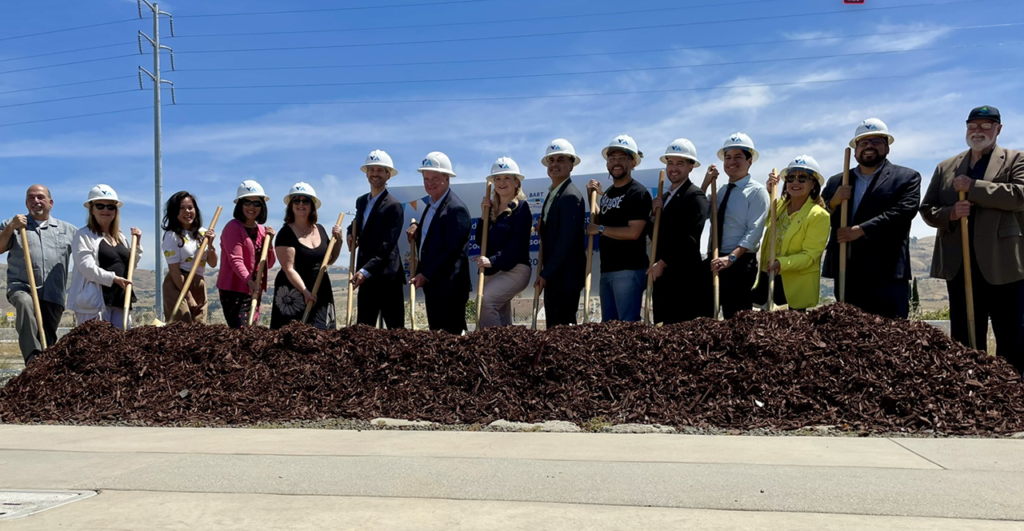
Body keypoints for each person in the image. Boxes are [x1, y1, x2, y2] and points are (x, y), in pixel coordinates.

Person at [921, 105, 1024, 371]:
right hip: (960, 264)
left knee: (1011, 336)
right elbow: (928, 209)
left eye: (986, 125)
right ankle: (969, 390)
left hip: (1002, 263)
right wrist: (951, 213)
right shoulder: (946, 167)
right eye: (972, 125)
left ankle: (1010, 393)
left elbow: (1020, 196)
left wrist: (974, 188)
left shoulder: (1016, 159)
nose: (978, 130)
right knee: (964, 337)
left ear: (998, 129)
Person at [822, 118, 921, 319]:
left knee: (892, 336)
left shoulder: (906, 177)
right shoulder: (836, 182)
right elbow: (817, 216)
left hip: (887, 272)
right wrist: (833, 202)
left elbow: (903, 212)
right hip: (848, 273)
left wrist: (860, 230)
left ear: (887, 147)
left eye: (876, 141)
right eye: (863, 142)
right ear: (855, 148)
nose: (869, 146)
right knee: (850, 335)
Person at [0, 185, 76, 363]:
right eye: (31, 198)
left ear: (50, 202)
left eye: (40, 197)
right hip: (22, 287)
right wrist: (12, 227)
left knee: (48, 341)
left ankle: (43, 372)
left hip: (53, 292)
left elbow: (87, 254)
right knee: (25, 303)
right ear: (26, 202)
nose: (35, 201)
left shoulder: (68, 230)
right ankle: (32, 359)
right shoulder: (12, 225)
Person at [701, 133, 770, 319]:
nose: (731, 161)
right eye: (728, 157)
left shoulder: (757, 192)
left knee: (736, 319)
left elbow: (754, 231)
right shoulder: (721, 191)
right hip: (714, 258)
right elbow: (699, 212)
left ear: (750, 161)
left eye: (738, 156)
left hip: (739, 263)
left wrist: (730, 258)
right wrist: (706, 184)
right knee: (706, 316)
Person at [586, 134, 653, 322]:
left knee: (627, 327)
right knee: (611, 330)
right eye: (612, 158)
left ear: (633, 163)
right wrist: (592, 197)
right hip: (608, 270)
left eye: (622, 158)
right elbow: (602, 221)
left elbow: (633, 233)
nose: (616, 163)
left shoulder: (637, 193)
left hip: (629, 270)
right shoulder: (608, 193)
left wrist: (599, 229)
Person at [753, 156, 831, 311]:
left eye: (802, 178)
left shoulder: (818, 215)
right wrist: (769, 193)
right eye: (790, 178)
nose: (795, 182)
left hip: (793, 287)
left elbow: (810, 255)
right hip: (767, 277)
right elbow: (764, 220)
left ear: (813, 184)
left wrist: (782, 263)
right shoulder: (779, 204)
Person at [406, 151, 472, 334]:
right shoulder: (432, 205)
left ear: (447, 179)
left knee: (451, 338)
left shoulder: (456, 209)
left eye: (435, 178)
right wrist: (417, 231)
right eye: (426, 179)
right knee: (437, 338)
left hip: (450, 287)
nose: (429, 183)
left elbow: (451, 251)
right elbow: (435, 236)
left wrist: (425, 275)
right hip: (434, 286)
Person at [647, 139, 710, 324]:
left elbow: (690, 239)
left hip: (684, 280)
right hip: (663, 280)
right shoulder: (664, 198)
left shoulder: (695, 196)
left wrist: (664, 262)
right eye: (670, 163)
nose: (673, 169)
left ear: (691, 167)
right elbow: (656, 236)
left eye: (679, 163)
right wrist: (653, 215)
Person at [67, 185, 142, 329]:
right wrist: (113, 278)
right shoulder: (83, 235)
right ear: (92, 209)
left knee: (121, 345)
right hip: (95, 304)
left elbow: (130, 267)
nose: (105, 210)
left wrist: (137, 246)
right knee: (96, 347)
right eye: (100, 206)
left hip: (120, 300)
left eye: (111, 207)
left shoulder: (120, 237)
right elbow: (86, 267)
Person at [347, 150, 407, 329]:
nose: (375, 174)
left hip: (388, 278)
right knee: (365, 331)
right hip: (366, 277)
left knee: (395, 331)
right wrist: (351, 233)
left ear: (388, 174)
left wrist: (365, 271)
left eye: (380, 170)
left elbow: (387, 246)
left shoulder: (394, 206)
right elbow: (358, 223)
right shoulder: (362, 201)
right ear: (366, 173)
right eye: (372, 170)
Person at [271, 182, 341, 330]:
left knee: (323, 334)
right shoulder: (285, 233)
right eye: (296, 200)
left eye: (306, 200)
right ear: (291, 205)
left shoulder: (320, 229)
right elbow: (289, 268)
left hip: (320, 287)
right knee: (294, 335)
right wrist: (305, 292)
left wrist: (339, 240)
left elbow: (329, 260)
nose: (301, 204)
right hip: (295, 292)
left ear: (312, 205)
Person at [475, 157, 533, 328]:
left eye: (507, 178)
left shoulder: (521, 208)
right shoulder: (491, 209)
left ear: (516, 182)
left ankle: (493, 349)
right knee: (500, 315)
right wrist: (484, 216)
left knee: (485, 301)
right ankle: (509, 349)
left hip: (515, 270)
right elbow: (480, 240)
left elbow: (516, 246)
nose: (501, 182)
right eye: (497, 179)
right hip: (494, 271)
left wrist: (491, 261)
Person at [535, 139, 586, 328]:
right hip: (555, 276)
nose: (554, 164)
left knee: (563, 334)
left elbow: (566, 241)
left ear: (571, 165)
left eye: (560, 160)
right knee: (553, 331)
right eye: (551, 160)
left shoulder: (570, 196)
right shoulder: (554, 193)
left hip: (566, 277)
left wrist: (545, 273)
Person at [217, 180, 276, 328]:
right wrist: (248, 280)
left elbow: (269, 263)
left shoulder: (263, 231)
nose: (252, 207)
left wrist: (270, 244)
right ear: (240, 205)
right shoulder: (232, 228)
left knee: (251, 331)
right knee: (241, 331)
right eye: (247, 202)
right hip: (234, 289)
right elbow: (235, 259)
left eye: (257, 203)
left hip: (254, 289)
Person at [161, 191, 217, 323]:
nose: (187, 211)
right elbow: (174, 270)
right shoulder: (171, 236)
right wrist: (189, 297)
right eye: (182, 208)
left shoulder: (202, 233)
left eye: (190, 207)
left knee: (199, 325)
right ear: (174, 212)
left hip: (198, 281)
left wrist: (210, 244)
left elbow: (213, 263)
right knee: (182, 323)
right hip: (178, 282)